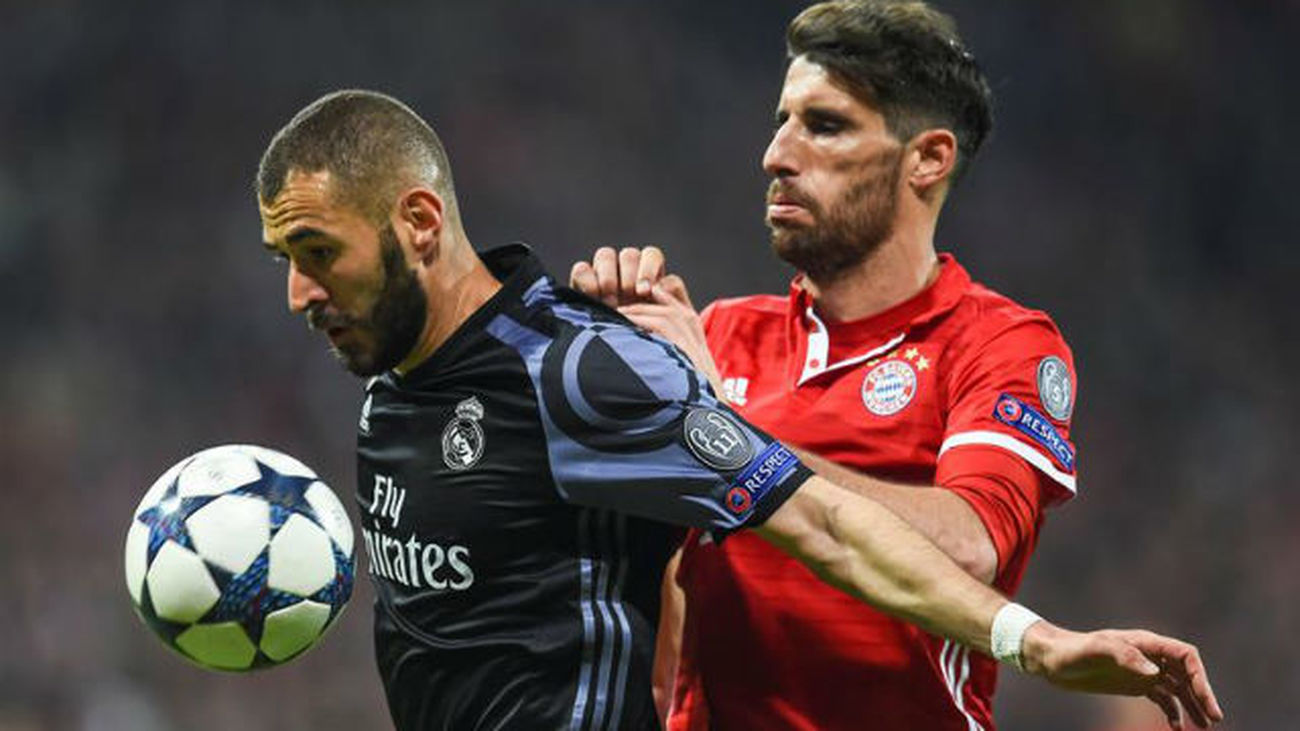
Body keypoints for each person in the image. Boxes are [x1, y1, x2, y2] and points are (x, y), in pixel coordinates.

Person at [255, 89, 1221, 731]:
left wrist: (1036, 641)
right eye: (284, 262)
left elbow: (818, 520)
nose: (300, 295)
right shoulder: (388, 387)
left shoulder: (582, 372)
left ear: (419, 222)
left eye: (317, 253)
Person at [568, 2, 1188, 730]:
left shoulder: (998, 342)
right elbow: (641, 597)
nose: (776, 154)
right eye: (781, 120)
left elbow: (969, 544)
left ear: (927, 158)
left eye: (824, 125)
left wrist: (720, 429)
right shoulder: (718, 334)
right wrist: (591, 371)